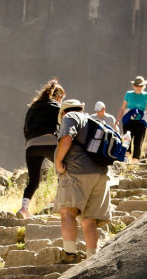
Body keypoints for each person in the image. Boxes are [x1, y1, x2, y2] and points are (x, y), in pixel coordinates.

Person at [54, 99, 112, 261]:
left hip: (77, 173)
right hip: (100, 175)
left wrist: (58, 162)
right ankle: (92, 258)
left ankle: (70, 255)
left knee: (67, 212)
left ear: (63, 112)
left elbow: (66, 138)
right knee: (89, 221)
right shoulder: (94, 121)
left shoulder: (70, 117)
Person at [17, 79, 65, 219]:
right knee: (62, 171)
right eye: (61, 97)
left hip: (31, 146)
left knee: (33, 181)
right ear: (57, 96)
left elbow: (25, 127)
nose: (61, 100)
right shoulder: (56, 106)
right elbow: (64, 125)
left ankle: (24, 209)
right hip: (50, 142)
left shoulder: (32, 108)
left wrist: (29, 141)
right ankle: (62, 204)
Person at [115, 76, 147, 163]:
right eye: (137, 85)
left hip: (140, 122)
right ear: (134, 86)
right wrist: (117, 120)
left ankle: (135, 162)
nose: (139, 87)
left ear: (144, 86)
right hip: (128, 121)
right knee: (126, 141)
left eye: (141, 86)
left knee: (138, 142)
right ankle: (125, 160)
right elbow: (122, 108)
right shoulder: (128, 94)